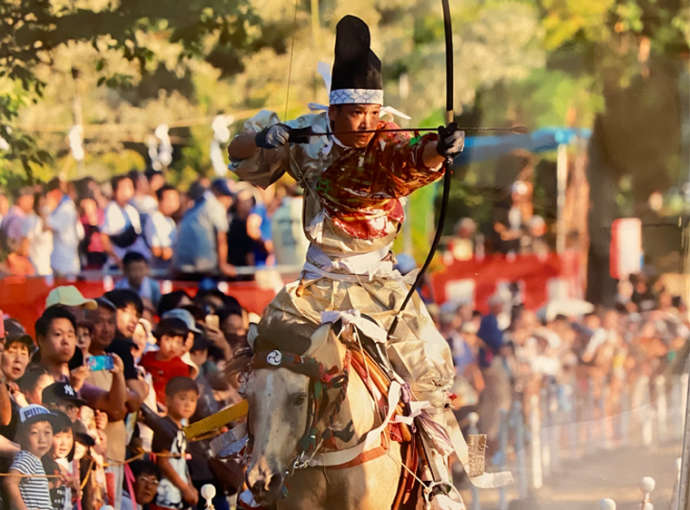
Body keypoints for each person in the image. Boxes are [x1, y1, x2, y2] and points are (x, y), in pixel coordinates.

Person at [227, 15, 486, 504]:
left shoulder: (388, 138)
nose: (366, 123)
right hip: (316, 284)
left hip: (380, 284)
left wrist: (442, 148)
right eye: (355, 114)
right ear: (332, 111)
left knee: (431, 365)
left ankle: (441, 479)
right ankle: (256, 465)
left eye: (372, 111)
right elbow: (239, 154)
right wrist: (265, 139)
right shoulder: (304, 137)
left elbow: (415, 156)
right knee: (268, 360)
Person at [152, 377, 199, 509]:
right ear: (167, 400)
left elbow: (182, 463)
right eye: (182, 398)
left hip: (179, 494)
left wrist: (190, 486)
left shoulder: (181, 430)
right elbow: (163, 462)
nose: (188, 404)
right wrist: (185, 488)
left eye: (192, 400)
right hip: (165, 494)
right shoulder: (164, 426)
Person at [172, 178, 236, 277]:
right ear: (215, 191)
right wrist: (223, 265)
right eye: (224, 195)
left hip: (181, 266)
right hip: (202, 268)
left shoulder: (197, 204)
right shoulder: (215, 206)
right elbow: (221, 238)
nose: (229, 200)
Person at [4, 404, 58, 510]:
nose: (42, 439)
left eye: (47, 432)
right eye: (34, 433)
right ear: (19, 437)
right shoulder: (27, 458)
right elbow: (10, 482)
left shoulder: (34, 459)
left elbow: (35, 488)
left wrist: (53, 484)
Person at [102, 174, 150, 267]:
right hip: (118, 263)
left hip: (135, 262)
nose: (126, 192)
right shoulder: (111, 209)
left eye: (129, 187)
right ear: (115, 191)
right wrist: (119, 262)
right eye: (123, 188)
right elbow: (105, 238)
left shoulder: (132, 209)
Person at [140, 318, 191, 405]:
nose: (173, 345)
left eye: (178, 342)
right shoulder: (147, 357)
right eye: (167, 339)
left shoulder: (181, 368)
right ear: (159, 340)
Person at [44, 178, 84, 276]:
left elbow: (46, 226)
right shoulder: (65, 208)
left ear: (54, 192)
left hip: (64, 265)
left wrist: (46, 208)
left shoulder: (65, 209)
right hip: (65, 263)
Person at [143, 184, 179, 270]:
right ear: (159, 200)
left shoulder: (170, 220)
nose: (173, 204)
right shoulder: (154, 218)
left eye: (175, 200)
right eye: (169, 200)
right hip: (157, 269)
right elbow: (156, 251)